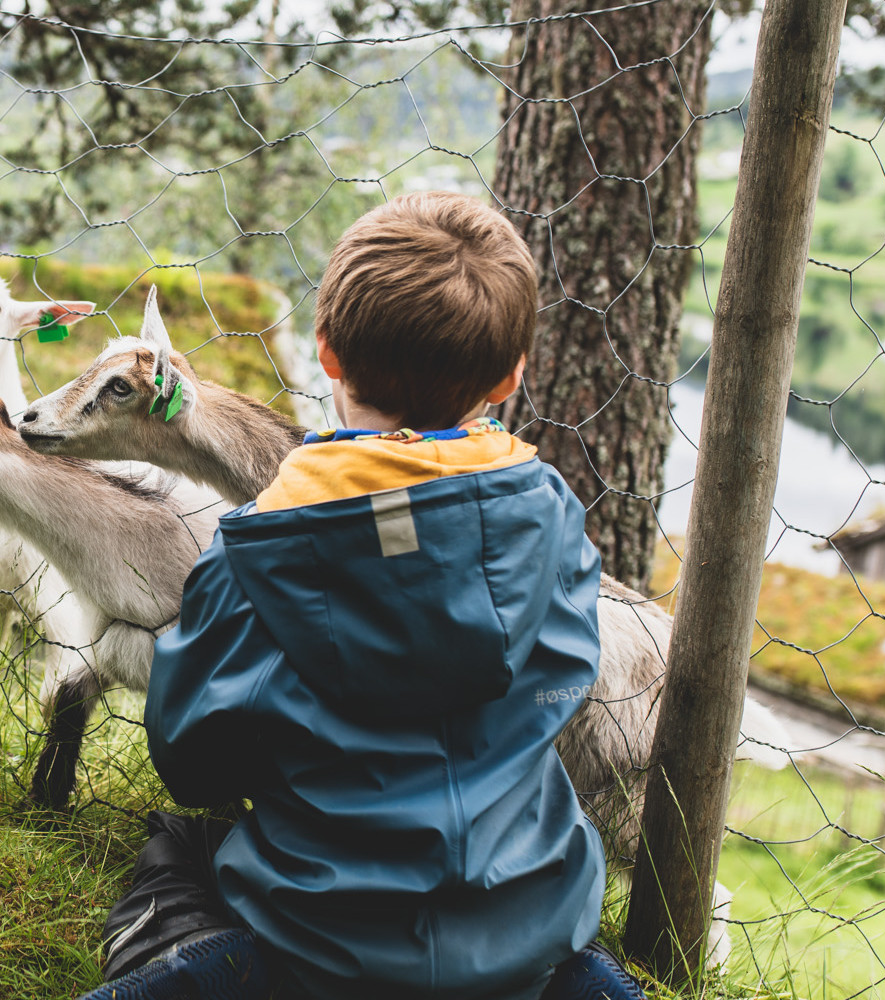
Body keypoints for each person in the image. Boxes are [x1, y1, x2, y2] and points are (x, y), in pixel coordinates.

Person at [82, 192, 647, 1000]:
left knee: (179, 845)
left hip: (321, 935)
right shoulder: (552, 517)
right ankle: (572, 981)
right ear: (510, 376)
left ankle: (216, 972)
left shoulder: (259, 548)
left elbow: (191, 759)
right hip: (531, 910)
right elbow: (563, 676)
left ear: (328, 354)